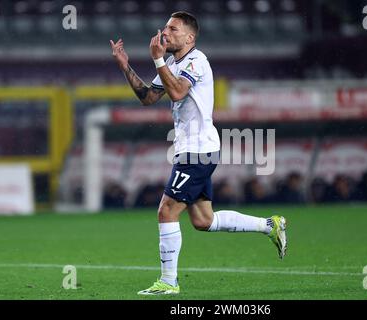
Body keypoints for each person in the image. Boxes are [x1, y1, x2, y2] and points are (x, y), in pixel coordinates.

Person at [110, 11, 287, 295]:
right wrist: (125, 66)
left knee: (166, 211)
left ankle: (168, 282)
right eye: (166, 27)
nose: (165, 33)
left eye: (173, 29)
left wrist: (156, 60)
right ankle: (270, 225)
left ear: (190, 37)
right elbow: (148, 98)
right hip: (192, 149)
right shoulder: (171, 62)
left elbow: (178, 92)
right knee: (204, 220)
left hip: (198, 150)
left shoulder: (197, 61)